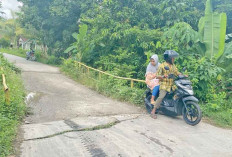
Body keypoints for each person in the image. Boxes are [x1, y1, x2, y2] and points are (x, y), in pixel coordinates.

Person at [150, 50, 187, 119]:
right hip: (164, 85)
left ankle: (172, 108)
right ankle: (153, 111)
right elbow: (157, 76)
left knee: (179, 93)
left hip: (172, 85)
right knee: (161, 96)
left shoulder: (173, 66)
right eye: (173, 58)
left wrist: (183, 75)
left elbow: (176, 72)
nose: (174, 59)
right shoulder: (162, 66)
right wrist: (164, 76)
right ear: (169, 58)